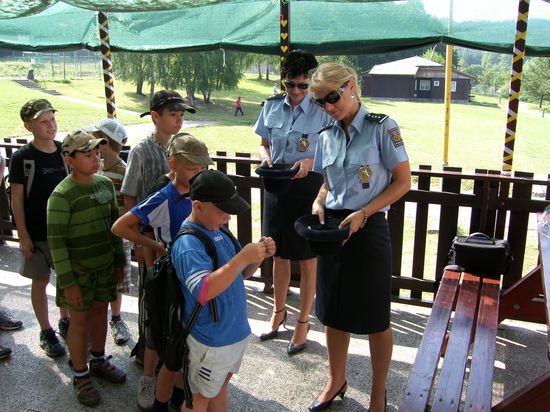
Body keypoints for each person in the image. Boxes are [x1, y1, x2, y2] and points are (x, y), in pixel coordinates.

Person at [307, 62, 411, 411]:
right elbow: (327, 183)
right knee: (333, 312)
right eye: (321, 102)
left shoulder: (383, 127)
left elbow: (403, 181)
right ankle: (336, 380)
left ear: (351, 86)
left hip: (368, 228)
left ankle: (377, 396)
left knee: (375, 318)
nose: (328, 107)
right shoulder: (326, 133)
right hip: (334, 229)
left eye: (332, 97)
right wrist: (320, 199)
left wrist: (364, 213)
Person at [113, 133, 212, 412]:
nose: (198, 174)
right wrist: (156, 245)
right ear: (173, 164)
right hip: (168, 277)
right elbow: (121, 227)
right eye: (192, 168)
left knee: (185, 334)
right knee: (160, 332)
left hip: (192, 276)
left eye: (202, 168)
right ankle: (150, 381)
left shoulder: (200, 193)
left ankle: (181, 390)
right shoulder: (163, 195)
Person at [171, 169, 275, 412]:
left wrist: (258, 256)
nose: (227, 217)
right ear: (198, 206)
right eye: (222, 211)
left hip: (230, 335)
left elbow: (241, 275)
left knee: (218, 387)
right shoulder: (189, 244)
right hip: (210, 341)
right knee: (198, 398)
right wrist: (240, 259)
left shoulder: (219, 230)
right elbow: (204, 291)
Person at [120, 89, 196, 410]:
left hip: (178, 244)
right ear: (155, 116)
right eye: (173, 114)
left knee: (175, 310)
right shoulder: (142, 151)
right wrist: (142, 245)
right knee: (152, 307)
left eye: (181, 114)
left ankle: (173, 364)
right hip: (152, 239)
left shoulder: (186, 147)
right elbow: (130, 198)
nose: (179, 118)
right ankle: (148, 367)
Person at [253, 49, 332, 355]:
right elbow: (262, 144)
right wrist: (267, 157)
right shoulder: (272, 106)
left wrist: (311, 161)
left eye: (303, 85)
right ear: (283, 82)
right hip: (276, 184)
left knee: (308, 258)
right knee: (277, 252)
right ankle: (278, 313)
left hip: (308, 187)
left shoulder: (324, 109)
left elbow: (335, 149)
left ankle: (303, 322)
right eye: (290, 85)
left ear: (312, 82)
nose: (296, 91)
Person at [47, 130, 127, 407]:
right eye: (88, 154)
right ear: (70, 160)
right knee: (79, 322)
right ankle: (81, 375)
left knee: (99, 313)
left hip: (104, 267)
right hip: (78, 274)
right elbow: (56, 244)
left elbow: (113, 229)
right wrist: (68, 282)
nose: (96, 159)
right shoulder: (61, 196)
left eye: (97, 153)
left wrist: (118, 260)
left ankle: (98, 359)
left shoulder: (105, 185)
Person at [8, 99, 70, 358]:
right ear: (28, 126)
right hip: (36, 232)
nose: (51, 126)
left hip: (63, 232)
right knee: (40, 281)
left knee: (66, 281)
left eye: (52, 120)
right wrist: (23, 235)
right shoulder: (23, 157)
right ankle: (46, 330)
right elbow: (17, 199)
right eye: (43, 122)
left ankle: (66, 320)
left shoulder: (62, 151)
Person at [86, 118, 132, 345]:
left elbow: (128, 205)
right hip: (99, 236)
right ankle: (101, 318)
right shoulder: (98, 170)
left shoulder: (123, 172)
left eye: (94, 140)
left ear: (104, 143)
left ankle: (116, 318)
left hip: (117, 238)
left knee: (118, 279)